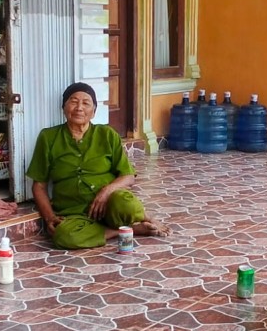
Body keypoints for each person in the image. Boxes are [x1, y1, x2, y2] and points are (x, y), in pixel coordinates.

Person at [26, 82, 170, 249]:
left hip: (109, 205)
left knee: (127, 204)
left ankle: (148, 219)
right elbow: (39, 186)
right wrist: (49, 217)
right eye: (73, 101)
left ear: (93, 112)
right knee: (63, 236)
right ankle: (123, 230)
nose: (79, 107)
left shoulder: (107, 134)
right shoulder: (48, 137)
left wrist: (106, 192)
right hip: (73, 212)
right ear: (63, 107)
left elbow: (128, 176)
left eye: (86, 103)